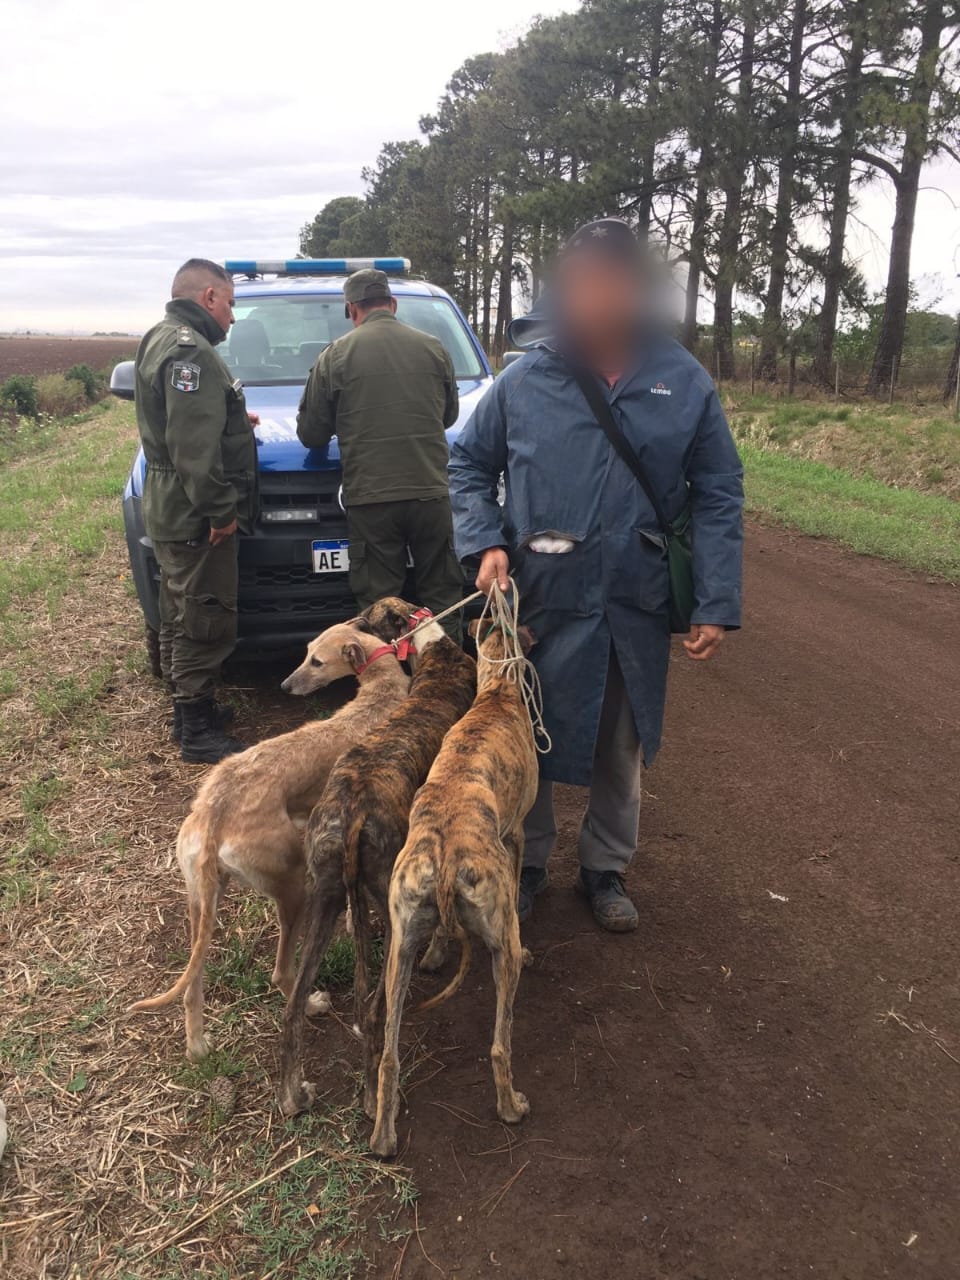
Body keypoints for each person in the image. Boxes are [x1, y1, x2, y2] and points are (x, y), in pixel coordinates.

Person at [449, 219, 744, 932]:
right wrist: (484, 542)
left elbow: (718, 491)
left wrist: (716, 598)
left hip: (632, 596)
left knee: (620, 741)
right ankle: (525, 862)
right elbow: (469, 463)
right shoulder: (525, 379)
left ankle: (605, 868)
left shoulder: (682, 380)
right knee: (525, 731)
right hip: (539, 600)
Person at [135, 258, 259, 764]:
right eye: (229, 304)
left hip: (170, 505)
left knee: (176, 611)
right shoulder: (192, 352)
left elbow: (184, 422)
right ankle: (197, 730)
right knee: (202, 616)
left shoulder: (160, 336)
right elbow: (192, 450)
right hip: (193, 511)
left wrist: (235, 421)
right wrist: (220, 510)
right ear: (209, 297)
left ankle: (184, 712)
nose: (232, 315)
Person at [297, 268, 463, 638]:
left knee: (380, 604)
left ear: (351, 309)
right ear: (393, 304)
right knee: (442, 595)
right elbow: (448, 415)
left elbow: (311, 434)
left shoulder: (335, 356)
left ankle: (389, 671)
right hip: (431, 494)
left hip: (372, 501)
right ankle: (446, 668)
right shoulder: (434, 348)